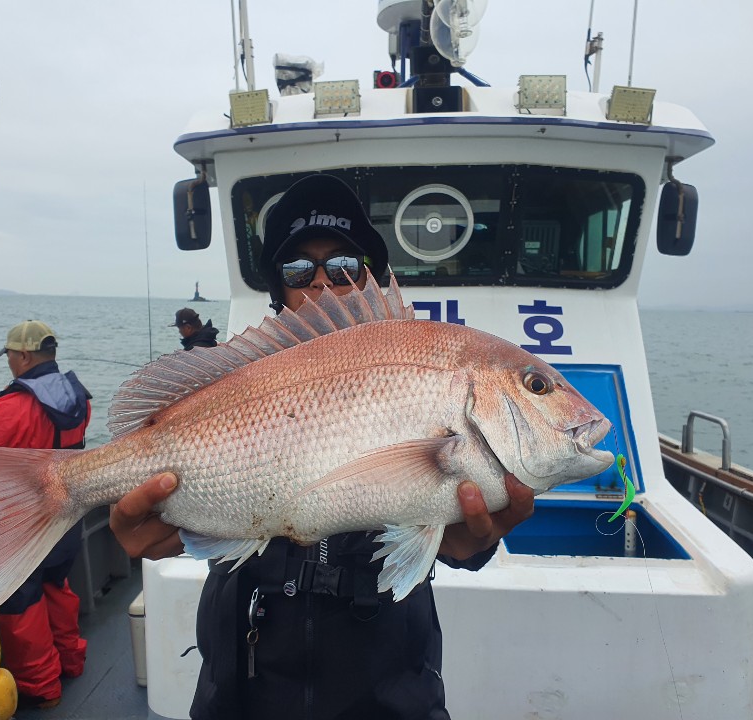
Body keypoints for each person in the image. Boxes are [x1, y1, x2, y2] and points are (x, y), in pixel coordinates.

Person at [110, 175, 535, 719]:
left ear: (371, 279)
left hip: (386, 696)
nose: (320, 282)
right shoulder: (237, 380)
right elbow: (202, 512)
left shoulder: (421, 370)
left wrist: (469, 545)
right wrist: (165, 528)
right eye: (296, 269)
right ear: (278, 288)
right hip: (242, 692)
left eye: (343, 266)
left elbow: (448, 525)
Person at [0, 320, 92, 710]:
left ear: (24, 356)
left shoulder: (12, 406)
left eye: (10, 355)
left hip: (19, 523)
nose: (9, 361)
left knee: (20, 603)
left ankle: (41, 688)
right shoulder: (79, 398)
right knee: (56, 586)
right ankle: (71, 661)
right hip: (63, 515)